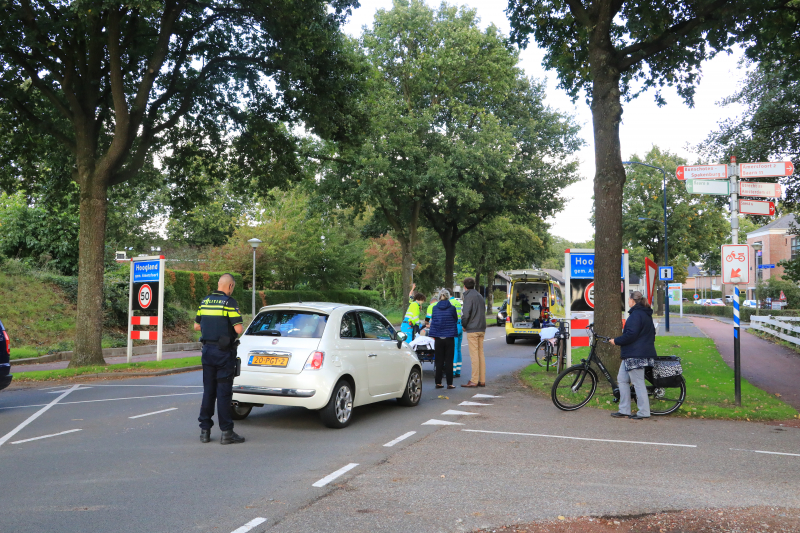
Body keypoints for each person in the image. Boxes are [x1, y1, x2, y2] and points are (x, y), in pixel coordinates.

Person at [194, 273, 245, 444]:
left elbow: (196, 325)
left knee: (209, 391)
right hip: (223, 353)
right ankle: (227, 432)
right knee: (223, 392)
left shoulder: (205, 301)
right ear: (230, 286)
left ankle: (205, 431)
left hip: (207, 351)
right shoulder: (229, 302)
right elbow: (238, 329)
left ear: (218, 284)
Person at [609, 291, 656, 420]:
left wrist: (616, 341)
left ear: (633, 301)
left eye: (629, 299)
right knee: (622, 379)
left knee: (638, 382)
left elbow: (631, 334)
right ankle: (624, 409)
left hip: (635, 355)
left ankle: (644, 412)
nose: (628, 301)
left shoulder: (636, 315)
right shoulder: (645, 314)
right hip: (633, 353)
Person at [429, 289, 459, 389]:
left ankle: (438, 382)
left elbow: (433, 319)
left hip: (438, 337)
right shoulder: (452, 308)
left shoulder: (434, 308)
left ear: (439, 297)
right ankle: (449, 383)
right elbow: (455, 319)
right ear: (448, 296)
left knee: (439, 360)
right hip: (449, 337)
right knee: (449, 361)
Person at [460, 277, 487, 387]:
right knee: (481, 354)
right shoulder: (479, 296)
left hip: (472, 329)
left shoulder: (468, 296)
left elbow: (466, 314)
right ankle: (482, 379)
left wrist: (464, 325)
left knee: (474, 355)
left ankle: (474, 380)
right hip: (481, 327)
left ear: (465, 286)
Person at [449, 294, 463, 377]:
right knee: (458, 349)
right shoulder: (458, 302)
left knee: (453, 349)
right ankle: (458, 370)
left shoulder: (449, 302)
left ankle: (453, 371)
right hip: (460, 326)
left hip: (454, 326)